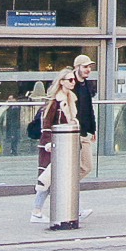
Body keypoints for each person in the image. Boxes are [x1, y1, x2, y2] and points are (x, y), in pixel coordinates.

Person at [30, 69, 83, 223]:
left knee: (59, 179)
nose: (73, 82)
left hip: (65, 144)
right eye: (70, 80)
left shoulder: (70, 99)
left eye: (73, 80)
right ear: (61, 81)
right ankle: (36, 211)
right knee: (47, 179)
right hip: (54, 145)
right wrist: (47, 142)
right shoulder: (54, 100)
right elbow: (46, 123)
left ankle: (72, 209)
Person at [70, 53, 100, 179]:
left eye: (89, 67)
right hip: (71, 131)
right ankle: (63, 188)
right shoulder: (71, 84)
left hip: (82, 132)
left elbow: (89, 108)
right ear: (77, 67)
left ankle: (66, 187)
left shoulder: (87, 84)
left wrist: (92, 129)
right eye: (85, 66)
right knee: (71, 164)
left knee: (87, 166)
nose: (88, 69)